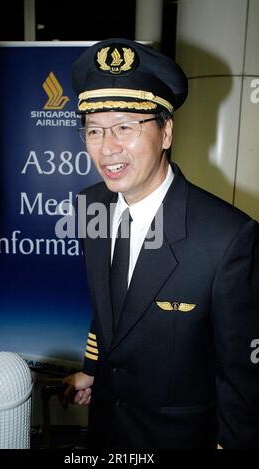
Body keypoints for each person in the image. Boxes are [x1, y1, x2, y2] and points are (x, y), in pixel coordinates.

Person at [63, 38, 259, 449]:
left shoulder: (227, 238)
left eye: (125, 127)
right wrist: (92, 368)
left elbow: (242, 375)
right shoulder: (90, 205)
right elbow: (109, 307)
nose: (107, 147)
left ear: (166, 131)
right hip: (104, 430)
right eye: (94, 130)